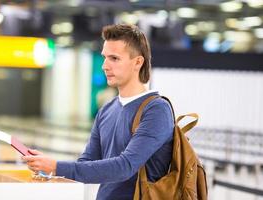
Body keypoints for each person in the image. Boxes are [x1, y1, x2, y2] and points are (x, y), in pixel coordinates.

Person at [22, 24, 174, 200]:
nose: (104, 66)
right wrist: (47, 166)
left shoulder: (156, 110)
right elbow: (86, 163)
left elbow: (125, 167)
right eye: (105, 58)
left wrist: (56, 166)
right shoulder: (107, 110)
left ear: (138, 62)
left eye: (114, 59)